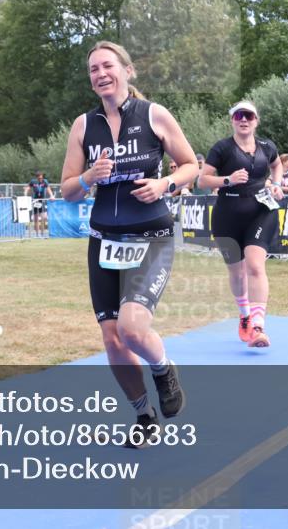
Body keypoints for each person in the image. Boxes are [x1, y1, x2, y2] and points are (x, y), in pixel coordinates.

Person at [60, 40, 197, 446]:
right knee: (112, 337)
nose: (100, 74)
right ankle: (144, 417)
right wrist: (88, 178)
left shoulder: (154, 114)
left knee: (134, 328)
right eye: (93, 70)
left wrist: (164, 184)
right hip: (104, 240)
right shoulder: (84, 126)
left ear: (127, 70)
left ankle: (164, 369)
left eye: (107, 66)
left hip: (151, 236)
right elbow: (67, 189)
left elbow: (191, 165)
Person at [199, 100, 284, 348]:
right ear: (232, 121)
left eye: (248, 115)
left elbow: (276, 164)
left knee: (255, 266)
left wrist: (276, 184)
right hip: (227, 215)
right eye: (238, 116)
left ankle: (258, 326)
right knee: (236, 271)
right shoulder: (222, 148)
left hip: (260, 211)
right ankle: (245, 315)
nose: (244, 120)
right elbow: (202, 181)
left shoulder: (267, 146)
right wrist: (228, 180)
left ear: (256, 120)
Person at [26, 171, 56, 236]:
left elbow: (48, 189)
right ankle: (37, 234)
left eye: (41, 178)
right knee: (36, 219)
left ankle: (42, 233)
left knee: (44, 217)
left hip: (42, 201)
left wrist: (51, 196)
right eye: (39, 178)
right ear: (36, 178)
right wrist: (25, 195)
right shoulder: (33, 181)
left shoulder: (45, 181)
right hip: (35, 201)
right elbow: (27, 188)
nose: (40, 179)